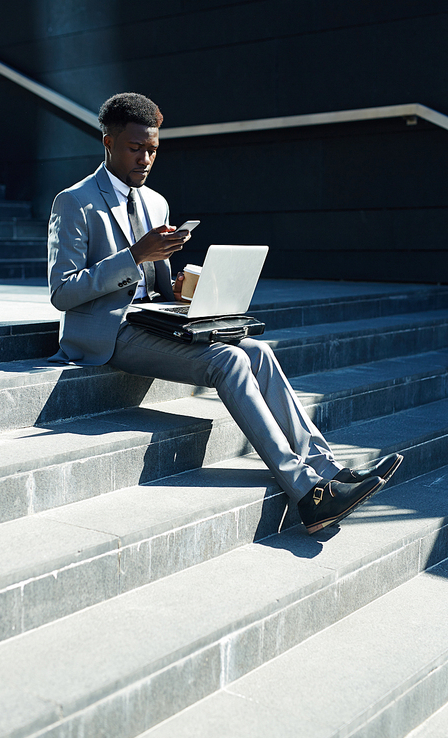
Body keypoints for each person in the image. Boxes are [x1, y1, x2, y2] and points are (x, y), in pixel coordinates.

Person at [48, 92, 403, 535]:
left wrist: (181, 287)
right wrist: (134, 257)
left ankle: (327, 470)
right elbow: (62, 292)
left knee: (257, 351)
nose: (145, 158)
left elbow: (153, 283)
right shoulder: (74, 201)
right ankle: (308, 495)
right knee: (230, 360)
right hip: (107, 333)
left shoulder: (156, 202)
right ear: (108, 143)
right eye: (135, 148)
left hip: (154, 319)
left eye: (153, 150)